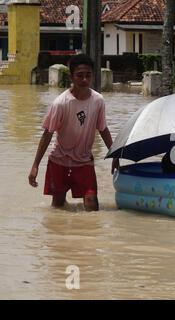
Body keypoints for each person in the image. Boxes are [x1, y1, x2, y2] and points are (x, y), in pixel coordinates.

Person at [28, 54, 119, 211]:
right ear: (71, 77)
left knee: (92, 204)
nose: (84, 80)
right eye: (79, 75)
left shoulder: (98, 101)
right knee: (57, 208)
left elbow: (103, 128)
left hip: (84, 161)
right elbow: (47, 133)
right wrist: (35, 165)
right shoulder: (61, 103)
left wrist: (114, 154)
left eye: (88, 75)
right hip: (59, 161)